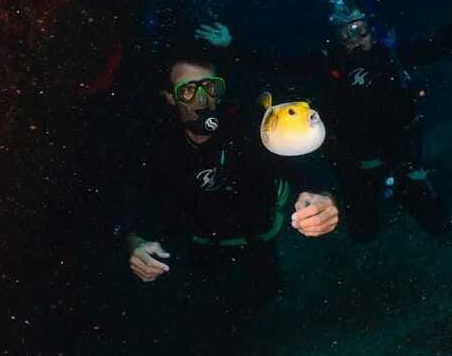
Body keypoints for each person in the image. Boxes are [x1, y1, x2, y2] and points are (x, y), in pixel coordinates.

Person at [196, 0, 452, 244]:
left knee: (438, 223)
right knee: (363, 235)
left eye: (360, 29)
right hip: (354, 169)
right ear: (337, 34)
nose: (356, 38)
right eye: (347, 31)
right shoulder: (327, 65)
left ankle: (422, 203)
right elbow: (274, 64)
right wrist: (232, 46)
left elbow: (445, 45)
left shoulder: (392, 57)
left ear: (370, 27)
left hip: (402, 159)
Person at [123, 39, 338, 354]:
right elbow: (136, 210)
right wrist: (136, 247)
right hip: (199, 253)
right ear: (170, 98)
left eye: (210, 87)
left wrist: (324, 197)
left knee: (262, 299)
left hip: (258, 244)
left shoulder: (249, 131)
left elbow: (303, 166)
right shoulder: (158, 147)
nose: (202, 98)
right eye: (188, 90)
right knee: (208, 324)